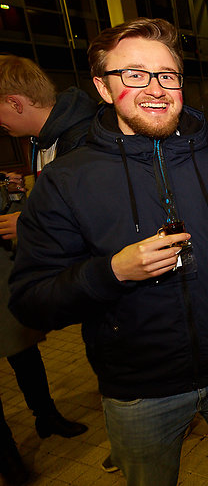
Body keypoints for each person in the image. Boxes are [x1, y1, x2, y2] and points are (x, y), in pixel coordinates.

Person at [8, 18, 208, 486]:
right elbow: (31, 299)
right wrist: (112, 271)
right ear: (103, 87)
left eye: (167, 75)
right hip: (139, 392)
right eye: (134, 74)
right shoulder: (66, 181)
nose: (155, 88)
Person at [0, 56, 95, 485]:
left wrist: (30, 222)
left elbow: (99, 212)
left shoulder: (83, 135)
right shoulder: (43, 139)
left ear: (16, 103)